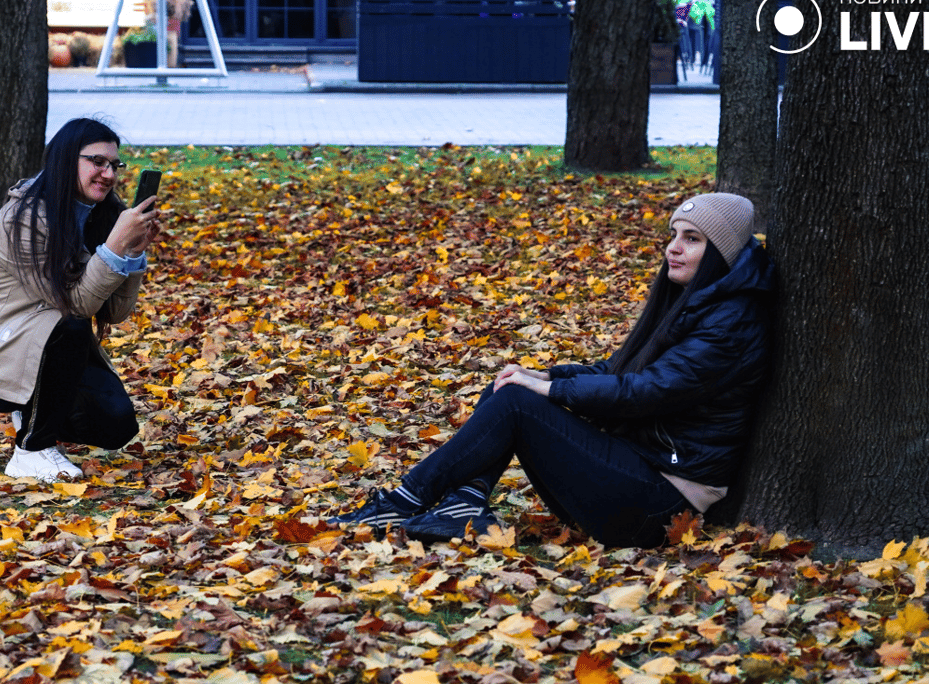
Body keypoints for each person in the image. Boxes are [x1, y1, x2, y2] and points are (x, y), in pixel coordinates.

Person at [330, 193, 773, 548]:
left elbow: (646, 391)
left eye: (692, 239)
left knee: (519, 402)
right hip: (639, 472)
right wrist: (545, 376)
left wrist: (547, 392)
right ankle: (463, 503)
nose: (673, 248)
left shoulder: (731, 320)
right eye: (674, 234)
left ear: (721, 252)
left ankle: (403, 501)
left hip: (663, 506)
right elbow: (618, 371)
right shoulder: (698, 301)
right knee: (511, 384)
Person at [0, 117, 162, 482]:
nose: (108, 174)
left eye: (114, 165)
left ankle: (31, 409)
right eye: (97, 161)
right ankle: (31, 450)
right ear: (64, 160)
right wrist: (113, 248)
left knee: (116, 427)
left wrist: (133, 252)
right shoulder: (26, 218)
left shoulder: (105, 212)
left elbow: (116, 312)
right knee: (70, 325)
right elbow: (75, 306)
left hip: (44, 343)